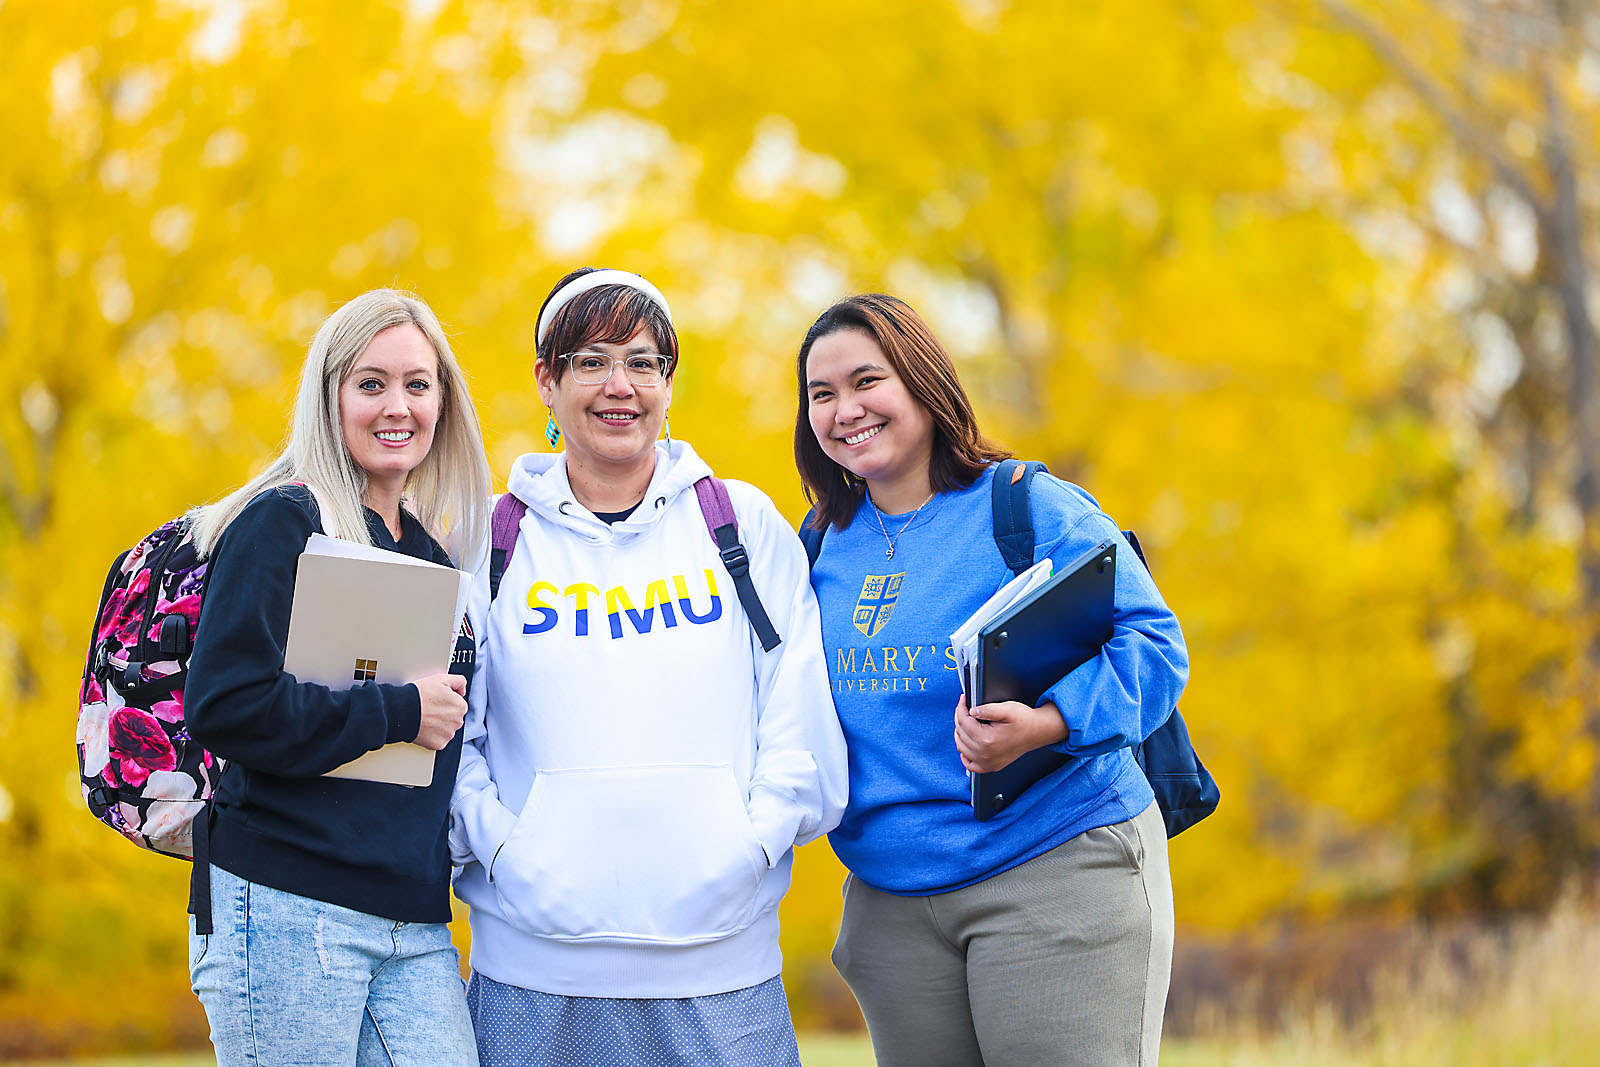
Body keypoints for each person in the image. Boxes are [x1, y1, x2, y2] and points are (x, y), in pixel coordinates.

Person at [449, 268, 848, 1067]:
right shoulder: (485, 541)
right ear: (547, 383)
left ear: (668, 384)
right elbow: (452, 733)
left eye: (641, 362)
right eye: (590, 361)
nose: (618, 385)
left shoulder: (740, 525)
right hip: (531, 975)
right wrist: (505, 853)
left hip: (723, 972)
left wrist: (752, 844)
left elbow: (796, 706)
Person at [795, 293, 1188, 1067]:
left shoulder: (1025, 506)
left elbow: (1156, 645)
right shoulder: (814, 545)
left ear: (922, 380)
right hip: (894, 906)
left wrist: (1046, 721)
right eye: (822, 394)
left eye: (867, 381)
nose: (846, 409)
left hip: (1054, 863)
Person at [184, 288, 491, 1066]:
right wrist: (396, 711)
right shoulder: (283, 520)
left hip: (413, 918)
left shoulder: (431, 555)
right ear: (332, 398)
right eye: (371, 383)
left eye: (418, 384)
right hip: (285, 901)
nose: (398, 406)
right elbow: (225, 705)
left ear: (442, 402)